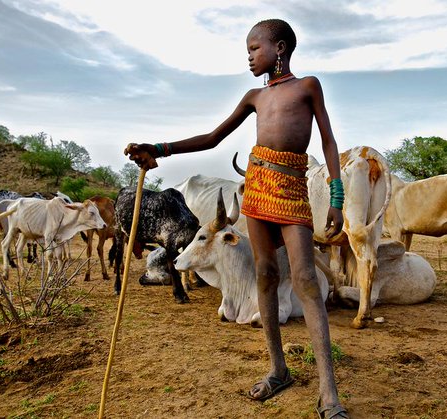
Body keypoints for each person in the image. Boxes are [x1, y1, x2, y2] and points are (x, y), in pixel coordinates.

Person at [124, 18, 349, 419]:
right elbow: (213, 137)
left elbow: (328, 140)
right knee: (264, 274)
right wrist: (158, 147)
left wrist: (336, 193)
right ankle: (278, 369)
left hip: (292, 187)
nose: (248, 57)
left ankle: (329, 393)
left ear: (279, 48)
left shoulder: (307, 86)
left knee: (307, 280)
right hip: (258, 185)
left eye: (253, 49)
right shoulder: (254, 97)